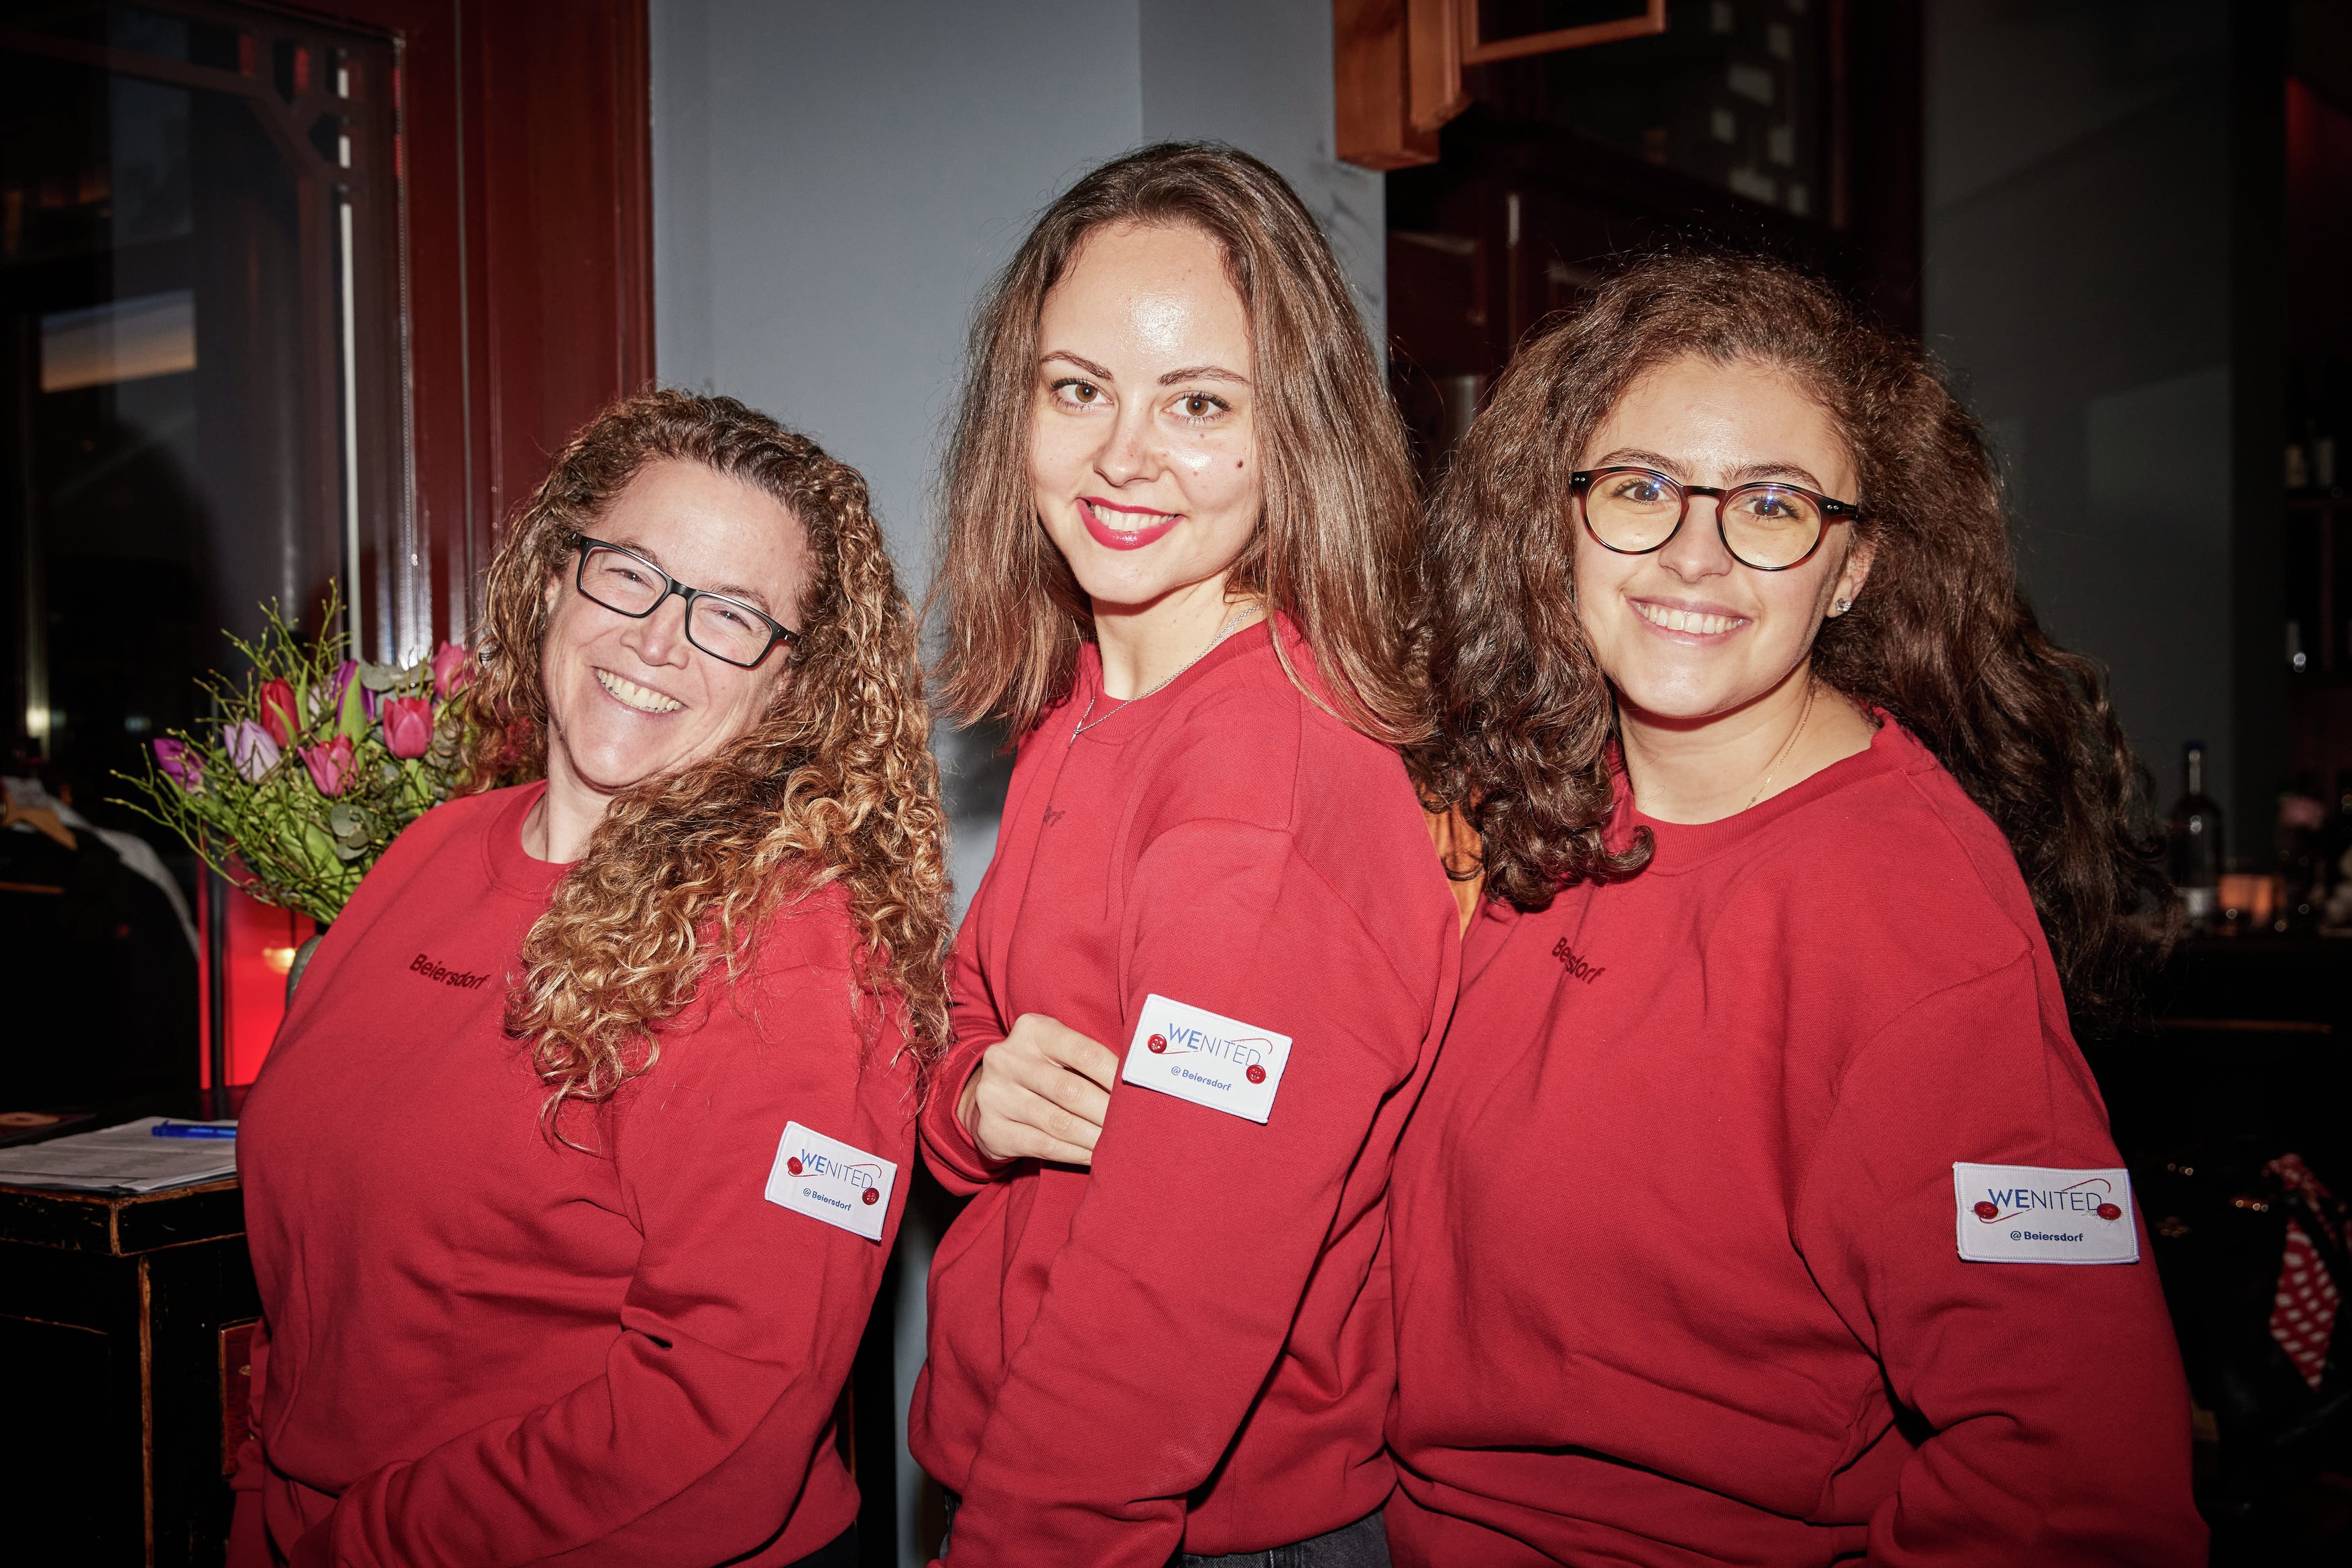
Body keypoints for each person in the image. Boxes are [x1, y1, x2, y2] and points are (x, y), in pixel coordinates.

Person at [1391, 254, 2207, 1565]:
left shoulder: (1911, 915)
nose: (1693, 554)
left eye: (1771, 505)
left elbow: (2077, 1487)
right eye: (1640, 488)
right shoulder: (1520, 803)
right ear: (1558, 522)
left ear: (1850, 567)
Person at [228, 390, 950, 1568]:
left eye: (731, 615)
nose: (659, 639)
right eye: (631, 574)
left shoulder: (792, 951)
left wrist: (363, 1545)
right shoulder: (430, 853)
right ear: (556, 576)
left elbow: (727, 1423)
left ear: (793, 684)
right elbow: (317, 1299)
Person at [909, 143, 1460, 1567]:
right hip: (1027, 1474)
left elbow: (1162, 1319)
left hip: (1174, 1533)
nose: (1122, 455)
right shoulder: (1093, 702)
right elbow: (977, 1015)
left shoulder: (1257, 799)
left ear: (1297, 433)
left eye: (1198, 402)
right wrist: (972, 1102)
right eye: (1077, 389)